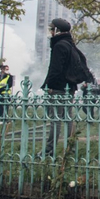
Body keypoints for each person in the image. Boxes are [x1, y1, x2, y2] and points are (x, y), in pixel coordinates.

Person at [40, 18, 82, 156]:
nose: (51, 32)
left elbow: (55, 69)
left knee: (55, 119)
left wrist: (50, 85)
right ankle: (71, 147)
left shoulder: (59, 46)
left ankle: (49, 149)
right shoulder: (70, 44)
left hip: (59, 87)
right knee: (67, 117)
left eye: (52, 29)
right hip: (69, 87)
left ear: (57, 30)